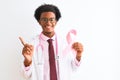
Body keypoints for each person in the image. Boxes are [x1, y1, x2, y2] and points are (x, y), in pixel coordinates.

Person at [19, 3, 83, 80]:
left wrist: (78, 56)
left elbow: (74, 68)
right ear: (39, 21)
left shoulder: (64, 43)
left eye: (51, 19)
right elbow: (26, 75)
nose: (48, 23)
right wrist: (27, 61)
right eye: (44, 19)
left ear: (56, 21)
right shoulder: (31, 45)